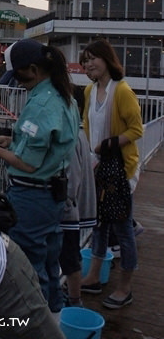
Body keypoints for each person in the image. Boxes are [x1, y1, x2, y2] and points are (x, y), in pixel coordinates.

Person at [0, 39, 79, 314]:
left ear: (33, 70)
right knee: (48, 259)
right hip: (52, 197)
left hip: (32, 196)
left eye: (18, 75)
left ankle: (36, 324)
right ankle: (54, 315)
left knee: (27, 267)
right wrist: (10, 140)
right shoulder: (63, 96)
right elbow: (46, 147)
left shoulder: (42, 104)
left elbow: (28, 164)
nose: (18, 82)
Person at [79, 39, 143, 309]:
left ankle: (125, 287)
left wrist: (108, 144)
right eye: (85, 61)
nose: (88, 64)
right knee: (99, 225)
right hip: (97, 168)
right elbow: (86, 125)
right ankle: (93, 276)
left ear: (106, 59)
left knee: (123, 229)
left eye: (93, 58)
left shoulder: (122, 91)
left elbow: (136, 129)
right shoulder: (89, 91)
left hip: (120, 170)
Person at [59, 87, 97, 307]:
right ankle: (73, 298)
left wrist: (62, 201)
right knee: (70, 257)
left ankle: (74, 301)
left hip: (67, 212)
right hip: (73, 210)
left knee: (69, 259)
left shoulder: (71, 136)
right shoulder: (80, 132)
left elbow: (71, 181)